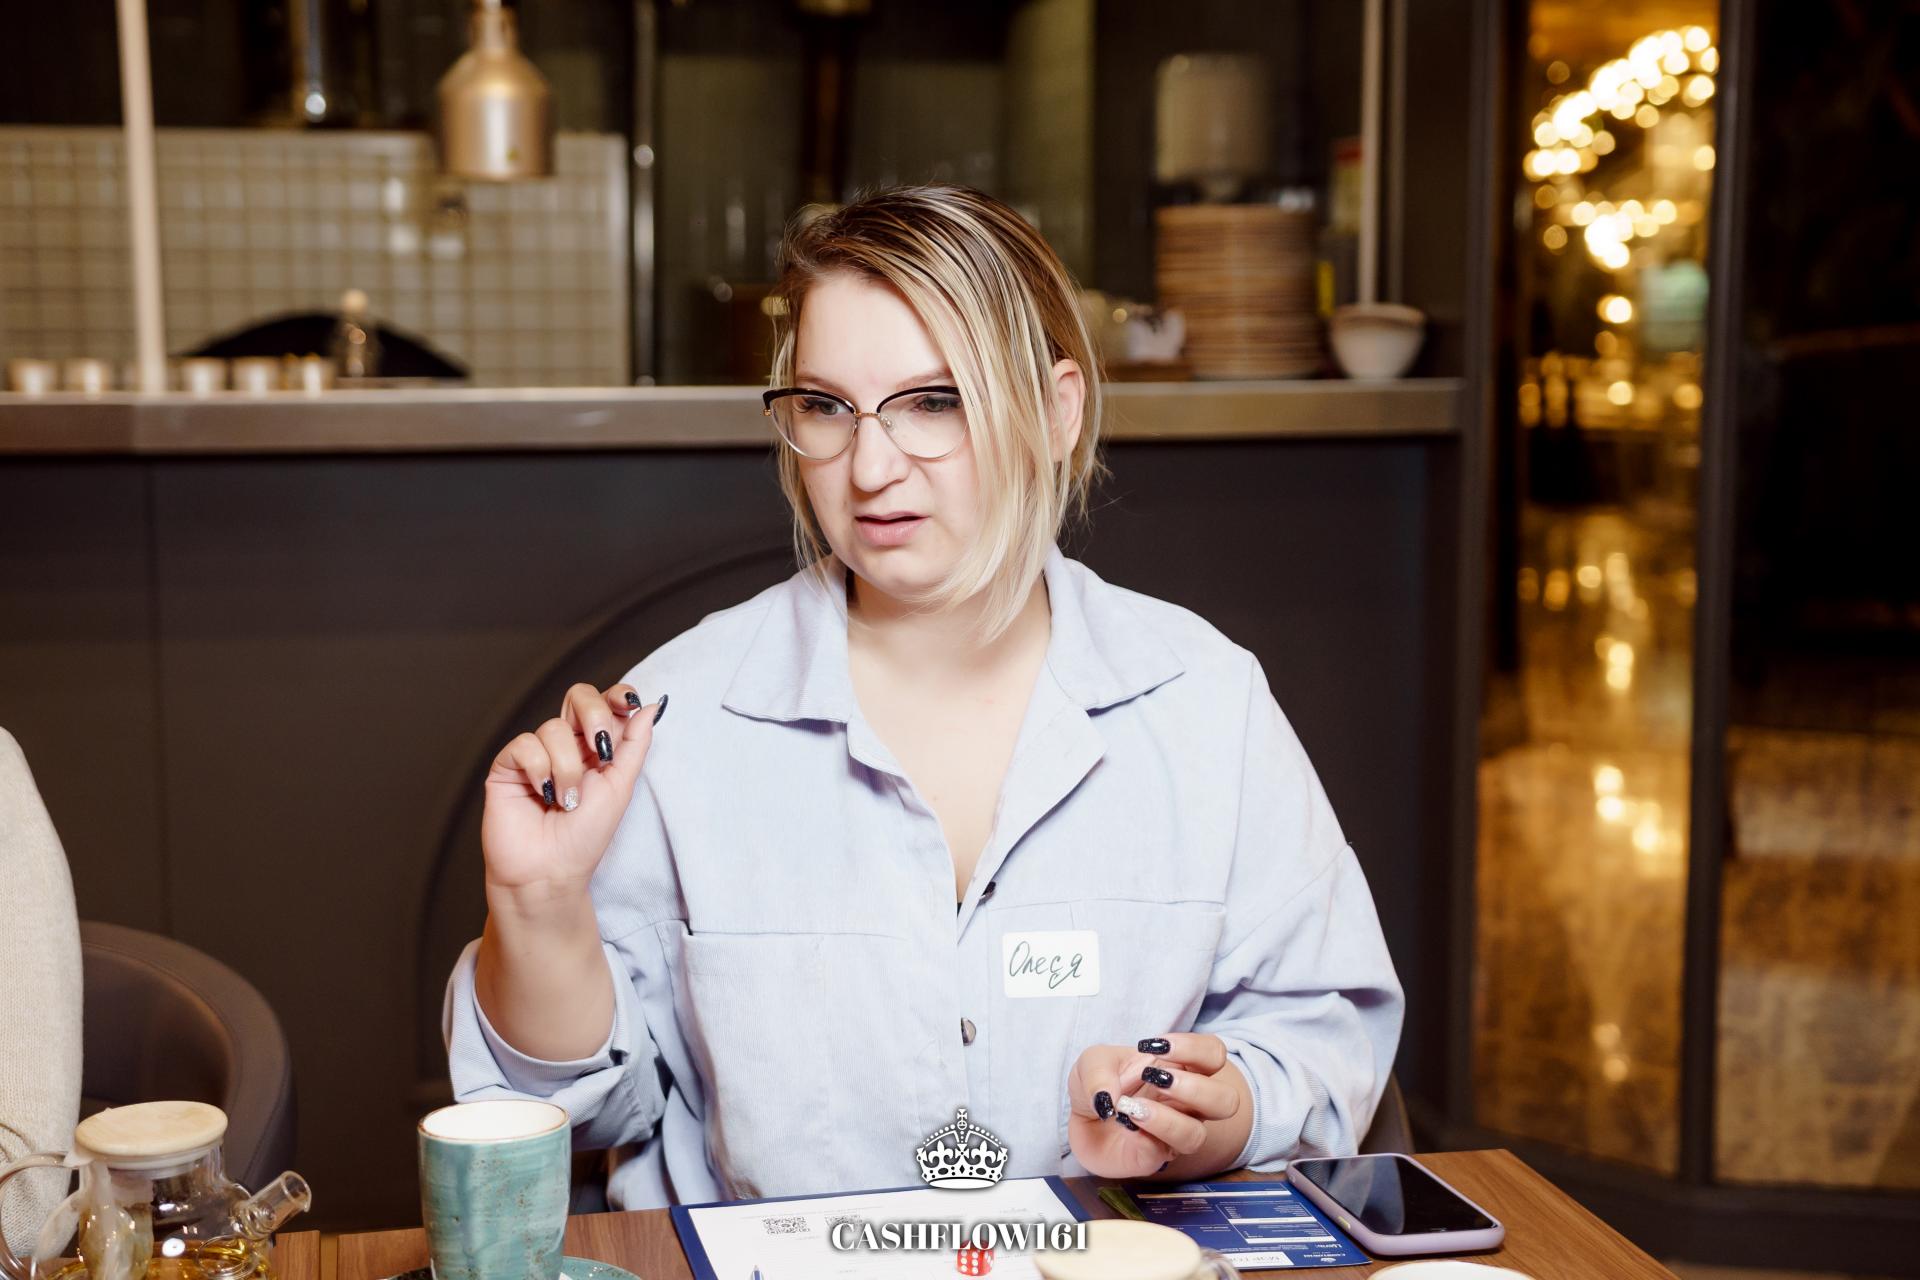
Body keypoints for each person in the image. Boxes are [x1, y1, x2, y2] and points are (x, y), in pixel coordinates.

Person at [444, 184, 1403, 1209]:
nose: (869, 466)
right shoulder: (674, 717)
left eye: (934, 401)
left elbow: (1321, 1037)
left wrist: (1214, 1114)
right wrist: (538, 909)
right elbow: (588, 1116)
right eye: (826, 407)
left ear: (1057, 411)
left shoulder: (1206, 702)